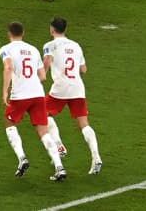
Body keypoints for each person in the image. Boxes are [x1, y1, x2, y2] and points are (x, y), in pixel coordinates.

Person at [1, 21, 67, 181]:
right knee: (43, 131)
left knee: (9, 123)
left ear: (9, 34)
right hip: (37, 94)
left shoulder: (6, 49)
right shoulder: (33, 49)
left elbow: (8, 68)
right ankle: (60, 168)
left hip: (20, 96)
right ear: (23, 33)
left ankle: (22, 158)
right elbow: (43, 76)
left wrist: (5, 90)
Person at [42, 17, 103, 175]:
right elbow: (84, 70)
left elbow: (46, 64)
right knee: (84, 123)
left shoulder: (49, 46)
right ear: (65, 29)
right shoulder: (76, 45)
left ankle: (58, 145)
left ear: (52, 29)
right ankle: (96, 157)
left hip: (60, 88)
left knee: (42, 114)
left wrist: (39, 77)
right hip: (77, 88)